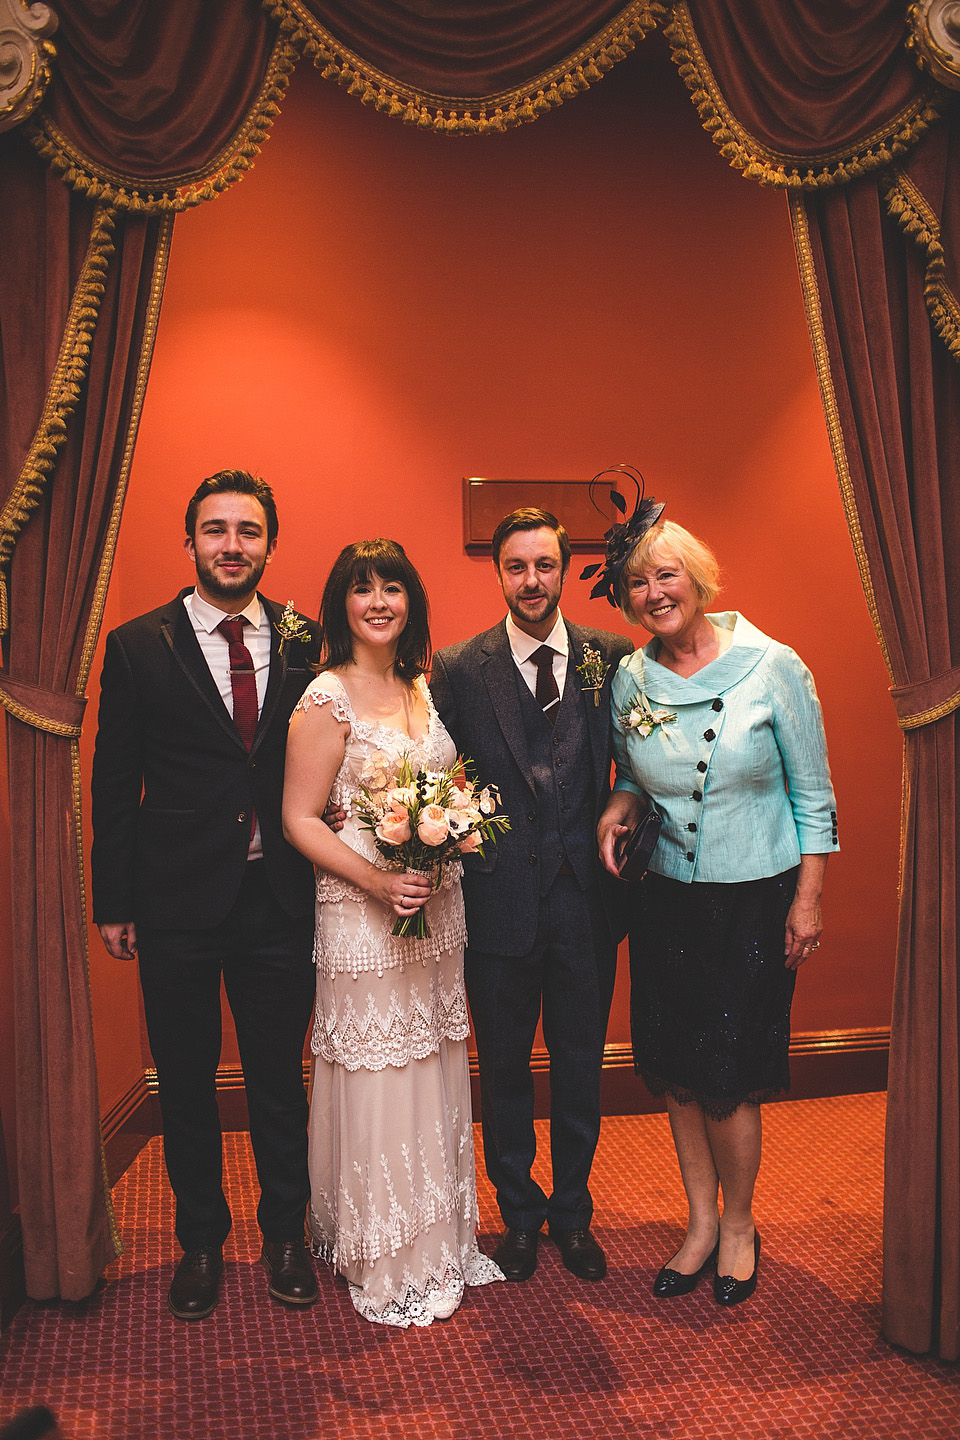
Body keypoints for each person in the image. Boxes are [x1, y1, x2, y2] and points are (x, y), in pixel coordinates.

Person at [594, 500, 838, 1306]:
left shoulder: (774, 666)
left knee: (729, 1074)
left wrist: (806, 900)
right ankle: (698, 1223)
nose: (655, 592)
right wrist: (619, 805)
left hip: (754, 900)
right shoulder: (632, 676)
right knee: (678, 1074)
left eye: (667, 574)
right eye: (637, 583)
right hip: (663, 899)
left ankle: (738, 1226)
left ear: (695, 577)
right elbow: (634, 775)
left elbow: (814, 795)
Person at [91, 469, 321, 1320]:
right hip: (174, 901)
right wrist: (112, 899)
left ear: (268, 543)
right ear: (189, 542)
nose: (233, 545)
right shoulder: (136, 644)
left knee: (276, 1081)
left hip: (278, 902)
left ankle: (286, 1238)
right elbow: (115, 780)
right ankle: (199, 1243)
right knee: (184, 1082)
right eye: (216, 530)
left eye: (249, 531)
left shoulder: (306, 637)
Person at [281, 539, 503, 1327]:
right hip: (363, 911)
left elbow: (444, 786)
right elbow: (299, 818)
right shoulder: (324, 698)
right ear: (340, 603)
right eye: (362, 589)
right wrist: (378, 880)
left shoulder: (419, 684)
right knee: (381, 1069)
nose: (379, 602)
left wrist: (450, 834)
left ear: (412, 600)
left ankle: (437, 1238)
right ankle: (384, 1252)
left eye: (393, 588)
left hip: (436, 907)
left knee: (432, 1062)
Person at [430, 508, 634, 1283]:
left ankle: (574, 1213)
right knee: (506, 1066)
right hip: (497, 905)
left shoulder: (611, 658)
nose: (532, 582)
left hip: (586, 901)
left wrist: (629, 805)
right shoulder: (456, 667)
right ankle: (516, 1214)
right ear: (497, 572)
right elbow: (431, 768)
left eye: (545, 565)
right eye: (516, 567)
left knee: (582, 1062)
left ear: (564, 565)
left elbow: (641, 764)